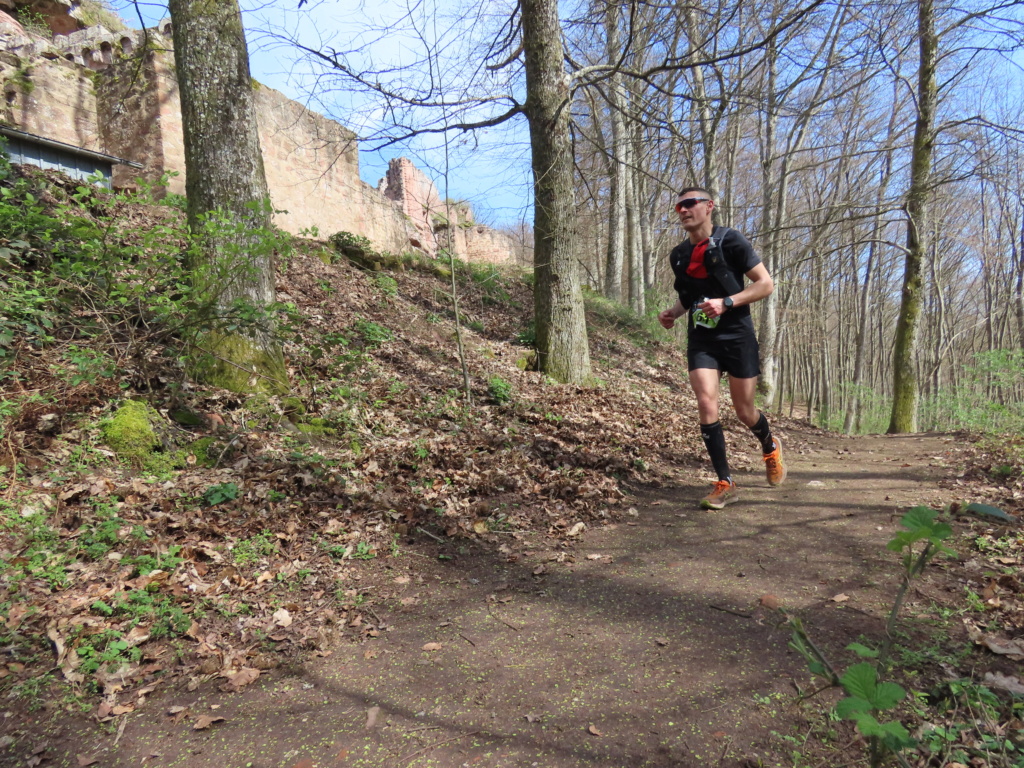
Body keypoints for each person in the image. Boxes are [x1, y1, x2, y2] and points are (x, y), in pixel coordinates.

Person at [657, 186, 786, 509]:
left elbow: (765, 284)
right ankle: (725, 482)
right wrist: (673, 313)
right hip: (702, 337)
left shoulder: (732, 241)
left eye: (689, 204)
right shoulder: (678, 255)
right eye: (678, 207)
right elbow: (688, 296)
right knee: (706, 403)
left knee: (744, 411)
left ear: (709, 206)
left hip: (737, 335)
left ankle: (770, 447)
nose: (683, 211)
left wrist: (727, 302)